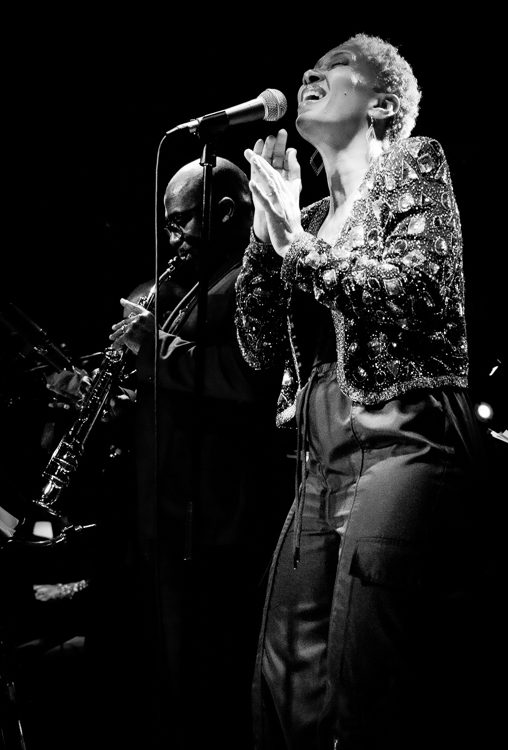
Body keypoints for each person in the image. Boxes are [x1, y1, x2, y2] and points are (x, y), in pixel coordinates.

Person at [235, 34, 493, 750]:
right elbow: (258, 350)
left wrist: (299, 251)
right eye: (310, 68)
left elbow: (422, 289)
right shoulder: (308, 214)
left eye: (334, 69)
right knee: (282, 678)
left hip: (402, 448)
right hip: (320, 465)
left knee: (365, 679)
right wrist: (268, 239)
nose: (310, 73)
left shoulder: (417, 162)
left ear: (381, 106)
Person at [108, 157, 293, 750]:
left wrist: (150, 350)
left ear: (225, 213)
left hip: (214, 528)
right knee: (168, 680)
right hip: (164, 519)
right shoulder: (187, 283)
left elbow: (245, 381)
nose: (172, 236)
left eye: (181, 221)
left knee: (208, 687)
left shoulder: (246, 279)